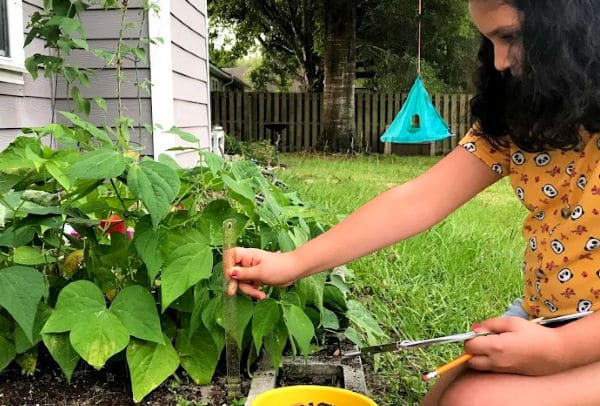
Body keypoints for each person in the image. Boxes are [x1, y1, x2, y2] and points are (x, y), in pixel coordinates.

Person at [227, 1, 600, 404]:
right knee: (442, 394)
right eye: (489, 40)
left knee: (474, 400)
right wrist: (291, 264)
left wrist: (560, 351)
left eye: (510, 36)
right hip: (549, 315)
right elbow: (417, 200)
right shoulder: (528, 112)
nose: (499, 61)